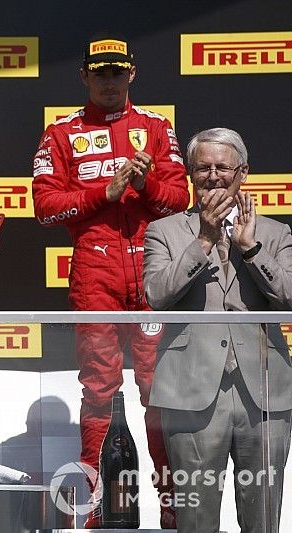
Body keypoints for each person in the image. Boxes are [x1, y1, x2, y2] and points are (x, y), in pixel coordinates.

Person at [31, 35, 189, 527]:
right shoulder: (61, 133)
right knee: (98, 387)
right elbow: (44, 207)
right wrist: (107, 190)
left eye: (116, 72)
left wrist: (144, 185)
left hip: (152, 269)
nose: (108, 81)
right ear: (84, 76)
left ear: (132, 74)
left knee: (159, 390)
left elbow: (180, 199)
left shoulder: (156, 128)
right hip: (94, 270)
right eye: (99, 73)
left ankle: (171, 505)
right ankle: (99, 506)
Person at [144, 128, 292, 533]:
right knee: (196, 518)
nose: (213, 176)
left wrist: (251, 249)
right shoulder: (165, 231)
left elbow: (289, 297)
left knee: (263, 518)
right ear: (190, 174)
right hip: (191, 394)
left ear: (242, 172)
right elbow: (157, 294)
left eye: (222, 167)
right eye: (202, 168)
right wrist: (204, 241)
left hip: (262, 394)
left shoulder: (276, 233)